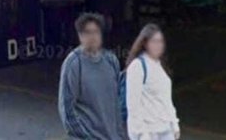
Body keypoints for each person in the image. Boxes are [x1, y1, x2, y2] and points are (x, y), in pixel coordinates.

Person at [58, 12, 126, 140]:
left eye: (96, 32)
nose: (92, 36)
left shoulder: (111, 60)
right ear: (80, 36)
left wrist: (120, 134)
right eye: (87, 32)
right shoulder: (74, 64)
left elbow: (117, 102)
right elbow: (66, 109)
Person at [125, 24, 179, 140]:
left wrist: (174, 124)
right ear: (145, 43)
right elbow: (133, 105)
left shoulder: (161, 66)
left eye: (160, 41)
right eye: (154, 41)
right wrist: (141, 133)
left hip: (166, 130)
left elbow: (166, 100)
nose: (158, 45)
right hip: (148, 132)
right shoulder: (138, 66)